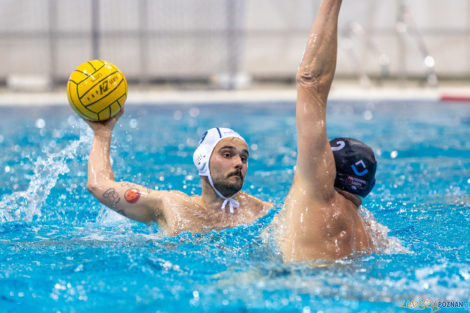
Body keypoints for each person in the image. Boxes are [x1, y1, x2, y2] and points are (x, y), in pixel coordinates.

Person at [274, 0, 376, 261]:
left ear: (326, 170)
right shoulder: (371, 232)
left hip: (300, 291)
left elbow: (311, 81)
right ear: (369, 186)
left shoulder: (317, 196)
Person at [85, 111, 272, 235]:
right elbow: (98, 185)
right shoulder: (171, 206)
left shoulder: (262, 212)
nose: (239, 163)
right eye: (228, 154)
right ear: (202, 160)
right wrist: (103, 132)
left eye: (244, 158)